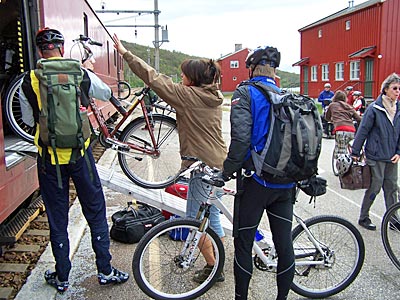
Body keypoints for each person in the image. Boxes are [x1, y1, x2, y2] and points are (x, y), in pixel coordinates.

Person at [19, 28, 129, 293]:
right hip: (81, 157)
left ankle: (62, 276)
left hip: (50, 161)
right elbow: (104, 94)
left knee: (58, 219)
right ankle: (104, 270)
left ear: (38, 50)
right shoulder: (79, 72)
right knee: (95, 211)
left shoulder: (29, 80)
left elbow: (25, 118)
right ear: (61, 47)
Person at [112, 34, 227, 283]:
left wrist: (125, 53)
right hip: (217, 162)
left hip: (203, 167)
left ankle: (213, 267)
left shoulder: (188, 96)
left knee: (196, 222)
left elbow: (153, 77)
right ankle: (220, 258)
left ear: (193, 79)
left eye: (184, 75)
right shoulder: (212, 95)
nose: (181, 78)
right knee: (212, 216)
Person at [221, 46, 295, 300]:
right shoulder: (286, 95)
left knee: (243, 244)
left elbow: (241, 142)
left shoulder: (246, 92)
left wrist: (225, 172)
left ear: (251, 68)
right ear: (274, 71)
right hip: (285, 184)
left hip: (256, 183)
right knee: (284, 246)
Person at [351, 73, 400, 231]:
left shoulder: (398, 109)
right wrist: (355, 151)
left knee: (392, 187)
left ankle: (393, 219)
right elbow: (363, 130)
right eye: (394, 88)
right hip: (375, 156)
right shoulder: (374, 108)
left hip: (391, 156)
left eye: (399, 89)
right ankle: (363, 217)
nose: (397, 92)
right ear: (385, 90)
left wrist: (398, 152)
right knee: (375, 186)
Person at [325, 90, 361, 161]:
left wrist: (332, 120)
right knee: (350, 148)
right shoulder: (349, 106)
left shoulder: (332, 105)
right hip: (351, 130)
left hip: (340, 129)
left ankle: (341, 168)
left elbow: (327, 117)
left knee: (341, 151)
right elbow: (358, 119)